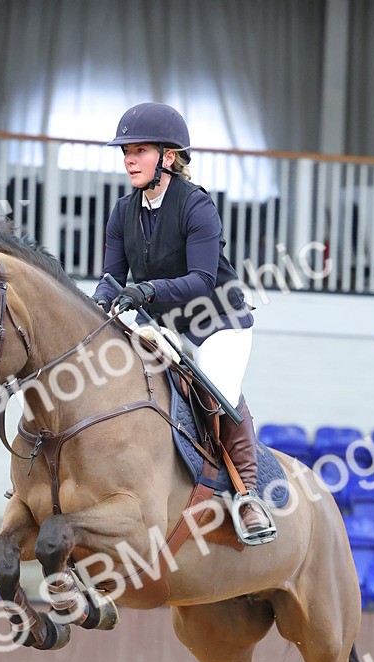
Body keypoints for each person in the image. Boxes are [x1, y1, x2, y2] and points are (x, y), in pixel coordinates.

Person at [92, 102, 276, 544]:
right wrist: (95, 308)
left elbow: (202, 280)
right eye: (126, 152)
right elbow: (111, 279)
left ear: (168, 157)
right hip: (165, 325)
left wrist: (146, 291)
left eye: (139, 151)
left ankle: (247, 494)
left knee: (215, 387)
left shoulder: (196, 205)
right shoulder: (123, 212)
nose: (129, 160)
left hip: (217, 321)